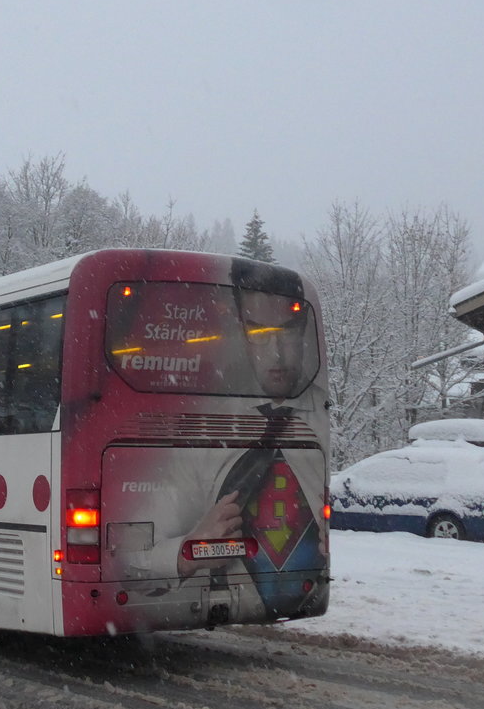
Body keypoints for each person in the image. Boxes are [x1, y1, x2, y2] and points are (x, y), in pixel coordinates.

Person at [116, 259, 330, 622]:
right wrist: (189, 551)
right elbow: (128, 558)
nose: (277, 353)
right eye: (260, 333)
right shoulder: (201, 438)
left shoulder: (320, 423)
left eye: (289, 331)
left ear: (306, 329)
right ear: (239, 329)